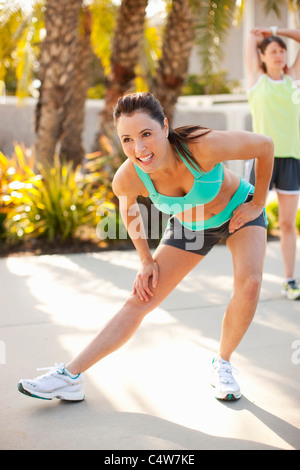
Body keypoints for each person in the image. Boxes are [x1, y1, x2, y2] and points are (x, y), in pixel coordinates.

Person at [18, 92, 274, 402]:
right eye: (127, 139)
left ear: (165, 127)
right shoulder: (127, 178)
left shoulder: (201, 146)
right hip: (190, 226)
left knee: (250, 284)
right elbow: (129, 212)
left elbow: (264, 146)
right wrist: (145, 260)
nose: (138, 149)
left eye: (146, 134)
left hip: (237, 211)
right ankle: (70, 376)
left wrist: (258, 202)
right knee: (141, 297)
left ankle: (223, 362)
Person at [245, 26, 300, 300]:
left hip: (291, 157)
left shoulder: (294, 79)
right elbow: (250, 41)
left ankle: (290, 280)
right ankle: (246, 280)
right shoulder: (257, 79)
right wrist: (259, 35)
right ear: (262, 57)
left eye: (282, 50)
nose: (279, 55)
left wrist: (277, 31)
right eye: (272, 51)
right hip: (261, 158)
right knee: (249, 220)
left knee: (288, 224)